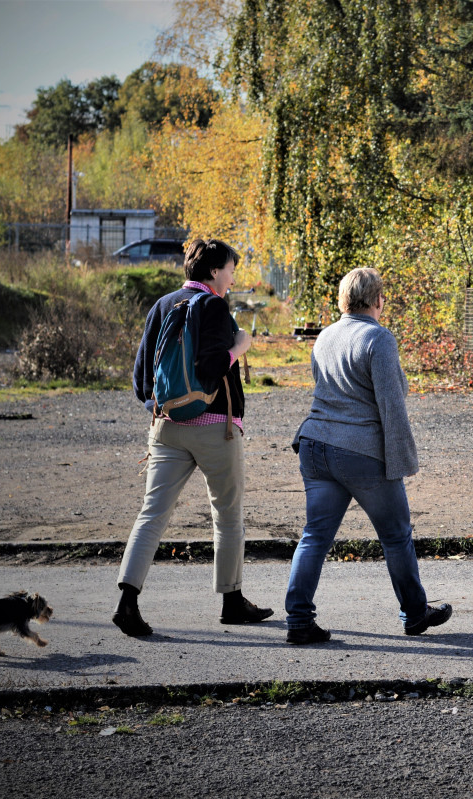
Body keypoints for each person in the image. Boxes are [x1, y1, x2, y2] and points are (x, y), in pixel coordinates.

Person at [113, 239, 273, 636]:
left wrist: (170, 405)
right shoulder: (215, 306)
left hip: (165, 430)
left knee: (152, 514)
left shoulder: (162, 305)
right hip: (215, 428)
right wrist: (240, 345)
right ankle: (232, 601)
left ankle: (127, 602)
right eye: (231, 270)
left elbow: (140, 383)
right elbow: (213, 365)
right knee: (227, 515)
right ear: (215, 271)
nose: (233, 278)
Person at [284, 267, 451, 645]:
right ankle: (414, 613)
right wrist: (402, 462)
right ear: (378, 300)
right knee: (395, 536)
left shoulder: (325, 335)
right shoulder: (378, 338)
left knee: (314, 536)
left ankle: (297, 619)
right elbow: (392, 404)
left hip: (314, 445)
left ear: (343, 299)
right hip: (359, 451)